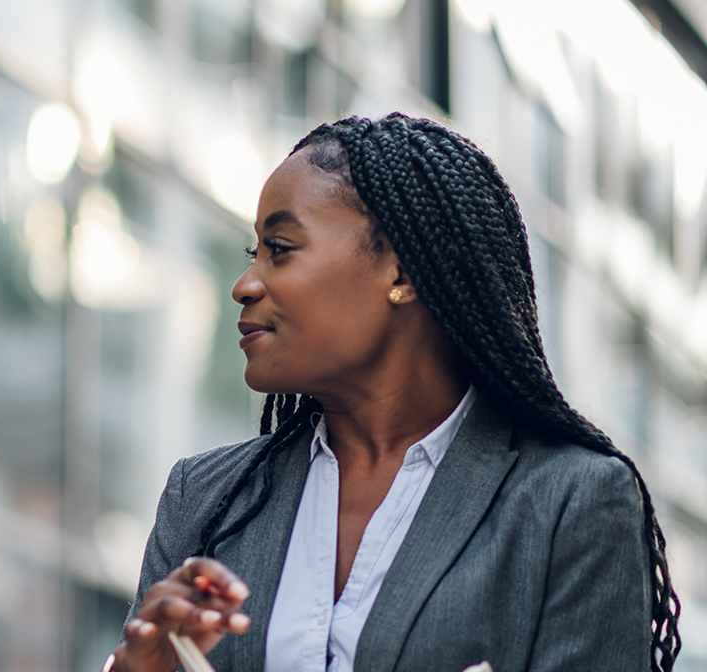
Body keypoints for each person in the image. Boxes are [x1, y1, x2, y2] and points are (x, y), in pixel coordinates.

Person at [106, 114, 681, 672]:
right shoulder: (205, 497)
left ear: (401, 274)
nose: (245, 284)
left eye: (279, 248)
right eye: (252, 254)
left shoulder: (569, 504)